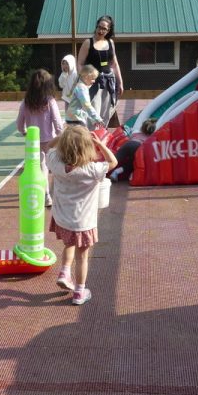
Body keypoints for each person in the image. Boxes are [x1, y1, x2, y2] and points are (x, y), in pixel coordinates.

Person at [46, 125, 118, 305]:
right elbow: (113, 162)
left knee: (69, 243)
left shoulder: (55, 163)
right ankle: (79, 292)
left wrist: (62, 135)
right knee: (82, 257)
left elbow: (49, 146)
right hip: (83, 222)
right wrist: (100, 144)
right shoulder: (92, 170)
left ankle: (64, 271)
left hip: (63, 218)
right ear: (88, 147)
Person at [16, 68, 65, 207]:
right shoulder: (50, 101)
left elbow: (19, 123)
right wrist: (60, 135)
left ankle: (46, 196)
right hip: (50, 139)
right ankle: (58, 194)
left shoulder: (26, 102)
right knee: (56, 166)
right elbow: (57, 122)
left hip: (33, 141)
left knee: (41, 167)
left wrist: (24, 131)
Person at [77, 15, 124, 127]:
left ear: (108, 30)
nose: (101, 30)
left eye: (104, 29)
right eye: (99, 27)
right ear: (96, 27)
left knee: (105, 114)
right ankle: (91, 140)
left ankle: (101, 138)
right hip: (93, 84)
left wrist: (120, 82)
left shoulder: (110, 43)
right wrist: (84, 80)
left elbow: (114, 64)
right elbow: (79, 63)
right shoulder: (88, 43)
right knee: (93, 114)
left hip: (108, 83)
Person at [109, 118, 157, 182]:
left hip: (128, 144)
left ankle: (102, 171)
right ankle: (116, 173)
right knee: (132, 164)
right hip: (138, 147)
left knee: (114, 159)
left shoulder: (136, 133)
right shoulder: (150, 138)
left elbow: (129, 138)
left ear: (142, 127)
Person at [65, 64, 104, 129]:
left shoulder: (80, 86)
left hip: (72, 118)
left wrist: (93, 120)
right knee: (80, 137)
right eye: (92, 79)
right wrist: (97, 118)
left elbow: (83, 108)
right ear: (86, 77)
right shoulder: (82, 88)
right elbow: (87, 106)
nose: (94, 81)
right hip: (76, 119)